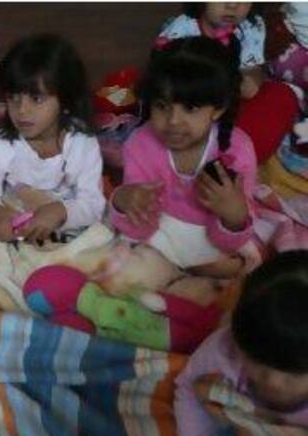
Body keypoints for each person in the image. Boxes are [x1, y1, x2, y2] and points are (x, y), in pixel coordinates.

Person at [174, 250, 308, 436]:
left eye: (294, 373)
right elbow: (187, 387)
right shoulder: (225, 348)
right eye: (257, 361)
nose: (272, 381)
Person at [110, 37, 257, 277]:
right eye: (162, 106)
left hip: (214, 240)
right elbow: (136, 229)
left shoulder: (237, 150)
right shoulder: (140, 143)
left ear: (218, 108)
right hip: (159, 234)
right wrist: (125, 200)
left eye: (190, 108)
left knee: (240, 268)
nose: (174, 121)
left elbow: (232, 239)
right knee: (124, 261)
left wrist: (234, 215)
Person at [0, 34, 105, 245]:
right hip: (14, 214)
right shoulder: (1, 142)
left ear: (66, 99)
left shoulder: (81, 141)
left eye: (36, 99)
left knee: (102, 240)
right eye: (13, 98)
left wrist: (60, 211)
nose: (22, 110)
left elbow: (93, 203)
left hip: (65, 219)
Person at [156, 2, 299, 162]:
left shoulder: (250, 27)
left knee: (282, 95)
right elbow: (166, 84)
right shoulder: (182, 30)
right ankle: (202, 160)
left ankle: (234, 161)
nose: (232, 5)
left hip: (230, 106)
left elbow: (254, 68)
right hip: (191, 106)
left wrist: (251, 80)